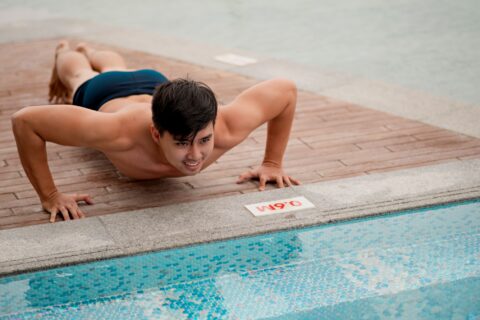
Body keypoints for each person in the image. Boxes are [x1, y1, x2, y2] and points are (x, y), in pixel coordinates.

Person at [11, 41, 300, 223]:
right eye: (182, 143)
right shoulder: (115, 132)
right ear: (155, 134)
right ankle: (67, 50)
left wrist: (272, 163)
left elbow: (286, 89)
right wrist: (49, 195)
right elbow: (25, 121)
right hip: (106, 94)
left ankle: (91, 50)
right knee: (79, 77)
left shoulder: (227, 126)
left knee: (115, 65)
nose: (195, 155)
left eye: (204, 140)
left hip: (157, 86)